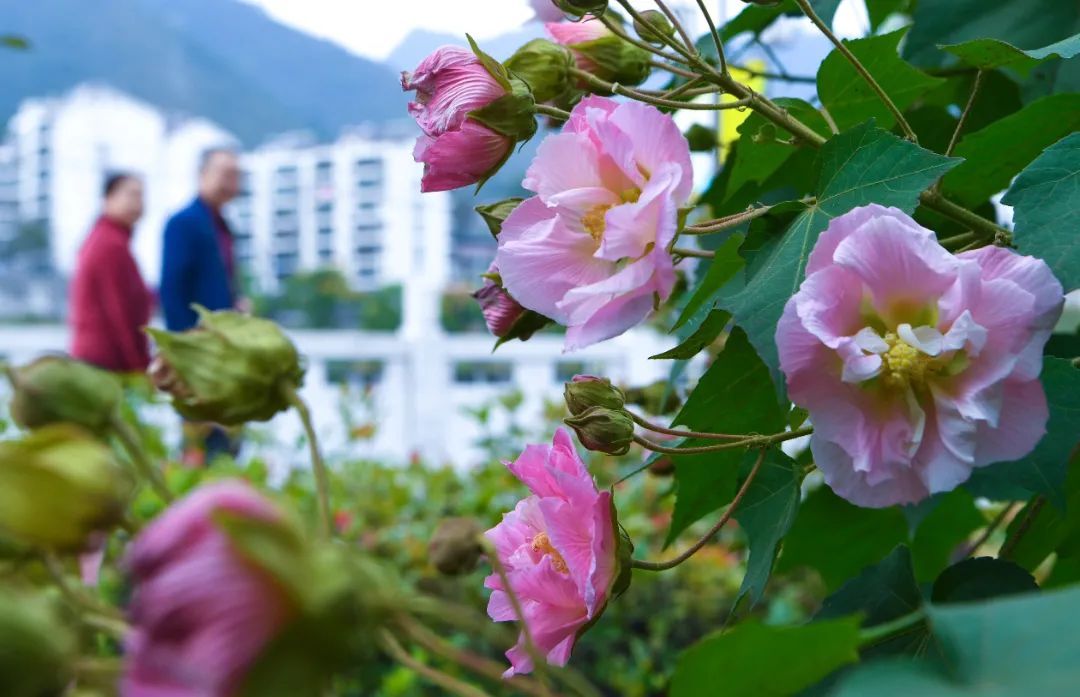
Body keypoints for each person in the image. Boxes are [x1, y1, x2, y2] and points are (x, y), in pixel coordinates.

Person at [159, 148, 243, 465]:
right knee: (202, 440)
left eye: (235, 175)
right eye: (223, 173)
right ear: (202, 175)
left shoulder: (221, 225)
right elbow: (172, 291)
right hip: (199, 353)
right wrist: (185, 351)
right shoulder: (184, 223)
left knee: (227, 437)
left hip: (224, 350)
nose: (230, 182)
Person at [69, 173, 153, 373]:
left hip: (99, 359)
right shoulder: (110, 244)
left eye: (141, 196)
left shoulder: (107, 238)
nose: (137, 203)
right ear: (107, 199)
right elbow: (119, 309)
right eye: (131, 195)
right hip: (106, 361)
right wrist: (138, 364)